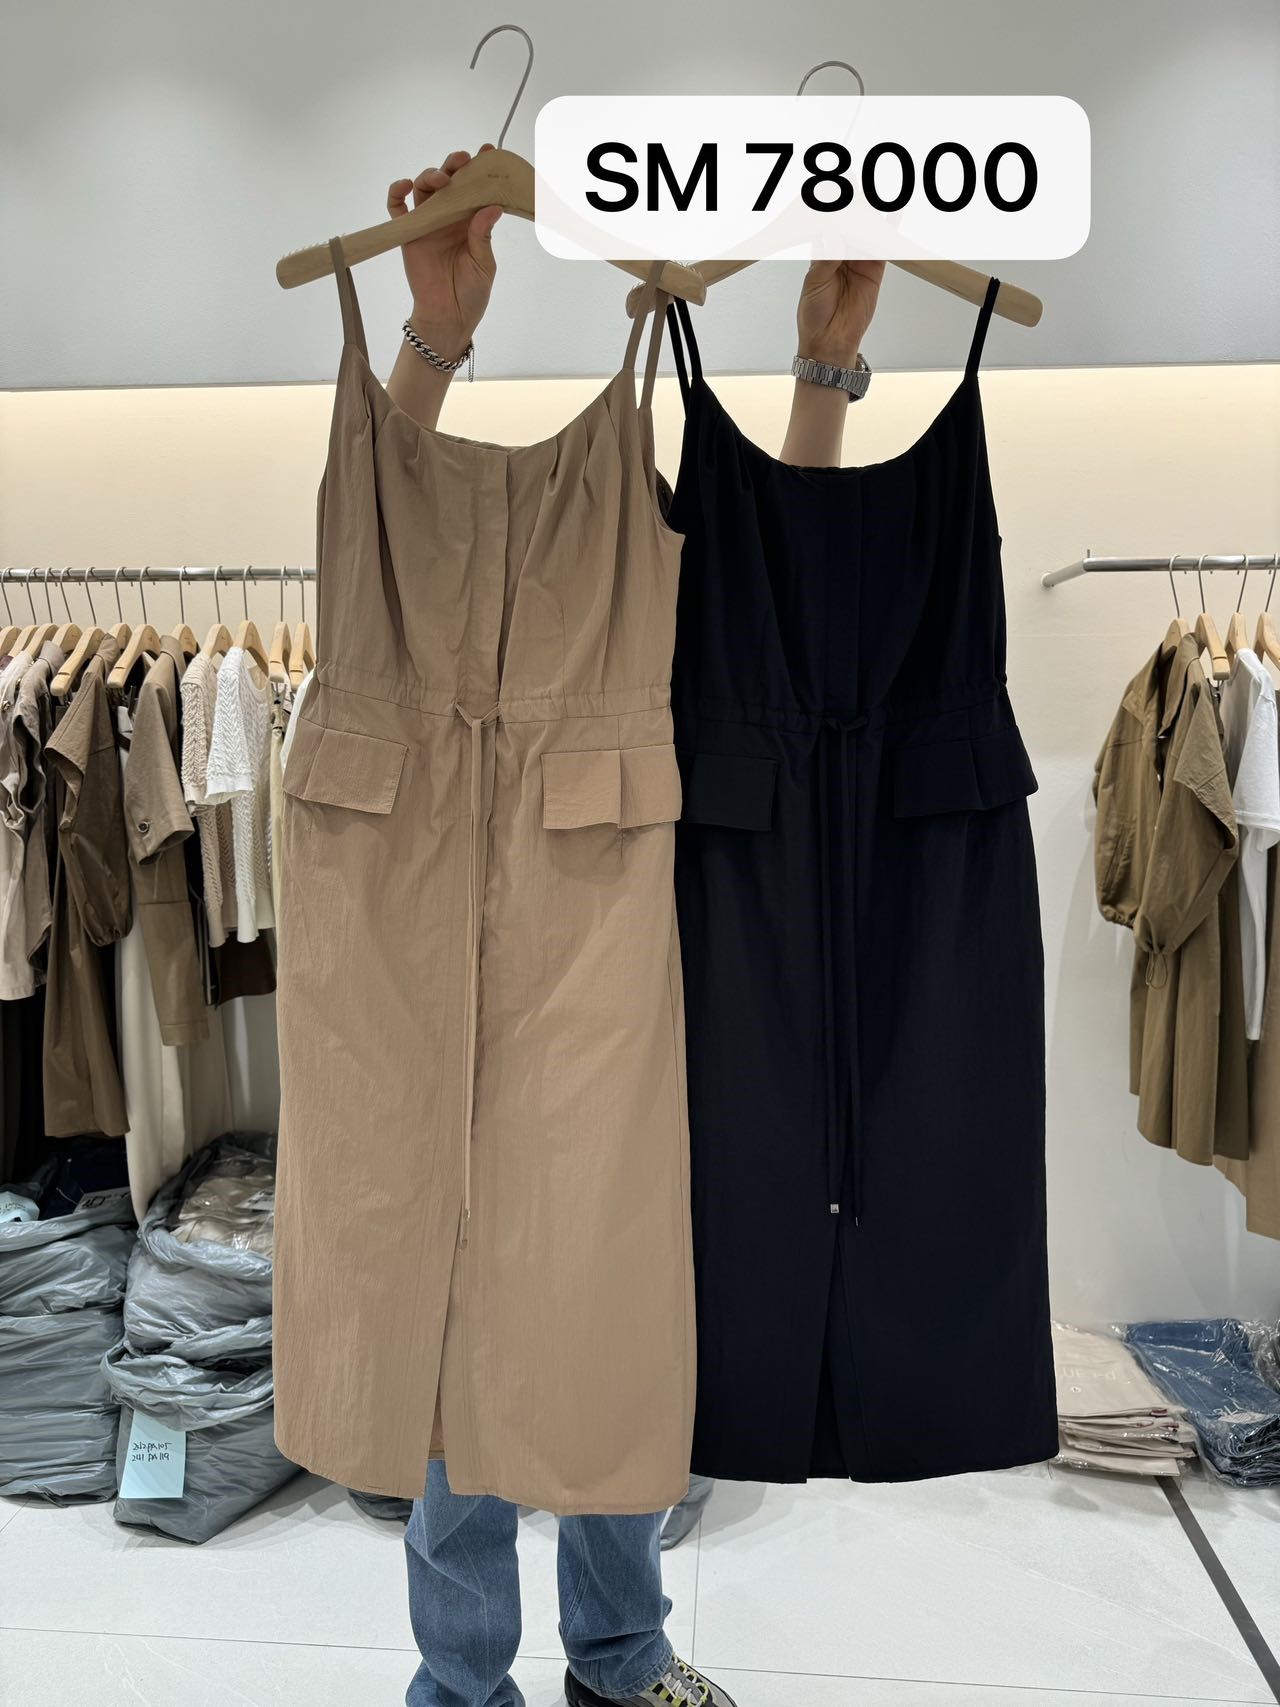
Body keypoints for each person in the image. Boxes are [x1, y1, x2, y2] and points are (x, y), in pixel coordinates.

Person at [384, 148, 884, 1707]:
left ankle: (617, 1651)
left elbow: (788, 560)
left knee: (618, 1313)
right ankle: (463, 1681)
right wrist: (436, 337)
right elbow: (386, 550)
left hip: (667, 950)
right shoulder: (494, 566)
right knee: (468, 1324)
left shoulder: (681, 545)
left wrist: (822, 362)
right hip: (489, 952)